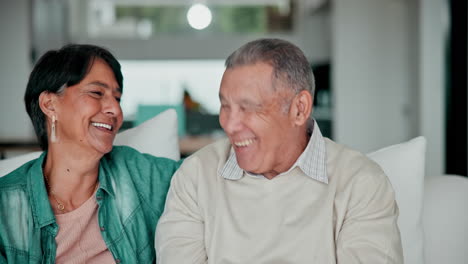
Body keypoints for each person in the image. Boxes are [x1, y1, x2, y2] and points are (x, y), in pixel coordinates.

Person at [155, 38, 404, 263]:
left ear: (299, 109)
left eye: (248, 107)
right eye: (225, 105)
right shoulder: (195, 177)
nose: (229, 125)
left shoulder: (361, 183)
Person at [0, 44, 181, 263]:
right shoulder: (6, 208)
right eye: (96, 93)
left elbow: (208, 176)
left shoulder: (138, 173)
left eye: (117, 98)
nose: (115, 110)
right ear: (49, 104)